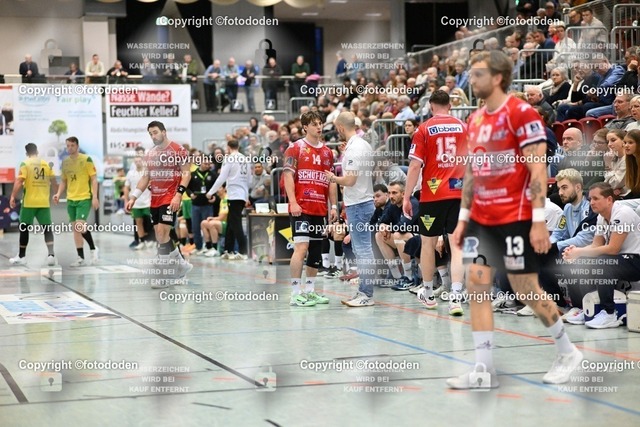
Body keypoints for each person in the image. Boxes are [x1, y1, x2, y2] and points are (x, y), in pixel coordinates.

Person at [448, 50, 583, 389]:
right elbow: (472, 172)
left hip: (516, 217)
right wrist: (463, 218)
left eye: (478, 73)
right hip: (481, 218)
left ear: (497, 77)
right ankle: (483, 369)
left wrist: (538, 220)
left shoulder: (521, 114)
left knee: (526, 288)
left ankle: (567, 351)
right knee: (477, 286)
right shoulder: (475, 120)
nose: (471, 79)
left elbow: (537, 169)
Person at [404, 90, 467, 316]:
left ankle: (429, 294)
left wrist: (406, 196)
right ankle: (456, 298)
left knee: (428, 244)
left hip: (432, 195)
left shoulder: (423, 129)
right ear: (450, 105)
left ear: (431, 106)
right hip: (458, 192)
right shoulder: (464, 127)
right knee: (457, 246)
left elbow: (414, 166)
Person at [125, 121, 192, 288]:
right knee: (161, 235)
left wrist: (178, 195)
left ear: (164, 131)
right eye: (150, 134)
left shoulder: (178, 150)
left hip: (170, 197)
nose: (153, 136)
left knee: (162, 234)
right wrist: (133, 197)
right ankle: (181, 263)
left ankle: (165, 276)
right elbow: (145, 177)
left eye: (155, 132)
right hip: (155, 198)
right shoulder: (151, 154)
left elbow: (186, 174)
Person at [563, 182, 640, 328]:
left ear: (609, 199)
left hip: (635, 260)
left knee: (603, 262)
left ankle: (609, 313)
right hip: (620, 260)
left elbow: (613, 249)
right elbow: (596, 245)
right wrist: (576, 252)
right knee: (579, 261)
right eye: (590, 199)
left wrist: (580, 252)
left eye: (596, 198)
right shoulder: (601, 217)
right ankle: (585, 308)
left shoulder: (623, 213)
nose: (591, 202)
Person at [283, 111, 338, 306]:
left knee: (315, 250)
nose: (319, 127)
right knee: (301, 247)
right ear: (305, 127)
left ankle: (310, 291)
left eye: (320, 123)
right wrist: (293, 202)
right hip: (301, 207)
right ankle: (295, 293)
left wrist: (333, 206)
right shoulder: (295, 148)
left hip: (319, 208)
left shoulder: (328, 152)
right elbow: (288, 175)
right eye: (314, 124)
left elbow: (331, 181)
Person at [325, 112, 376, 307]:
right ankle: (364, 291)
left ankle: (366, 294)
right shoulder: (362, 145)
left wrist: (333, 178)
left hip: (358, 203)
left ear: (340, 128)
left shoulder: (355, 148)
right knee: (361, 248)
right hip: (362, 200)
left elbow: (350, 180)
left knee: (363, 250)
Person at [53, 137, 99, 267]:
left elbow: (94, 179)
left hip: (84, 198)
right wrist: (58, 194)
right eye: (68, 146)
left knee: (80, 226)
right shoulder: (65, 162)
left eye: (72, 145)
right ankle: (80, 257)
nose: (70, 148)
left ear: (77, 146)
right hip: (71, 199)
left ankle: (93, 249)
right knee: (76, 229)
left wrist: (95, 197)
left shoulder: (86, 159)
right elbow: (64, 181)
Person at [9, 143, 58, 266]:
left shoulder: (25, 163)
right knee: (47, 229)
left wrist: (12, 196)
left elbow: (19, 181)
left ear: (27, 153)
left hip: (29, 203)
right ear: (37, 151)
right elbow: (54, 181)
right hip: (43, 203)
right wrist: (56, 194)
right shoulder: (46, 164)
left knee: (24, 228)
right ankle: (51, 255)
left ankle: (22, 256)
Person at [206, 139, 251, 260]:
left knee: (236, 223)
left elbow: (221, 178)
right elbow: (249, 179)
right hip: (241, 194)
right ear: (238, 146)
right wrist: (246, 196)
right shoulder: (245, 158)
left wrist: (210, 192)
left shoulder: (229, 158)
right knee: (231, 222)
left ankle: (243, 251)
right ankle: (228, 250)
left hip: (234, 194)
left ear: (228, 147)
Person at [186, 156, 216, 255]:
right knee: (195, 227)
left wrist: (214, 197)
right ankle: (198, 246)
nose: (207, 166)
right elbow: (187, 188)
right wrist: (190, 194)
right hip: (195, 205)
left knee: (207, 226)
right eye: (205, 164)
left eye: (209, 164)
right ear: (200, 163)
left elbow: (217, 188)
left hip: (207, 205)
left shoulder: (212, 175)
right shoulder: (193, 174)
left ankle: (209, 246)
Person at [123, 156, 152, 250]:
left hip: (147, 201)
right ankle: (142, 241)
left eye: (139, 161)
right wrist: (126, 201)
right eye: (136, 161)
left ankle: (151, 239)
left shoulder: (147, 172)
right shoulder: (130, 173)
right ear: (134, 162)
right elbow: (126, 187)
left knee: (150, 221)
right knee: (138, 222)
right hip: (136, 202)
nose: (138, 163)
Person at [201, 185, 228, 257]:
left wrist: (213, 218)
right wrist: (213, 218)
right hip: (221, 222)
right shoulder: (221, 199)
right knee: (203, 223)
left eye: (219, 187)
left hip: (227, 223)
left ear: (224, 189)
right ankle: (208, 247)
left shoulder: (226, 199)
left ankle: (215, 249)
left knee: (212, 224)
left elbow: (223, 217)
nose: (217, 190)